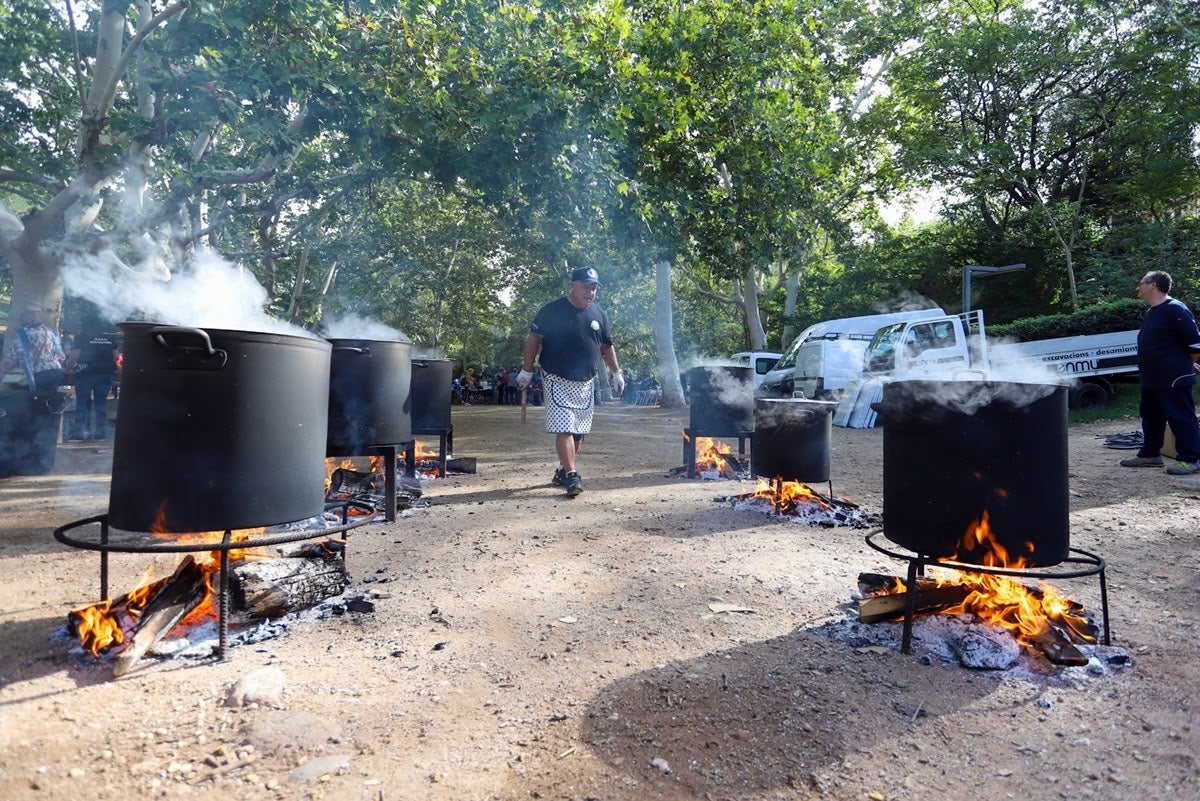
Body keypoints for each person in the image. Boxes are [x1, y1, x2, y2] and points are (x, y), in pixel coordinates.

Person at [516, 266, 624, 497]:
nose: (590, 292)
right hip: (556, 376)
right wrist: (526, 370)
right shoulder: (551, 311)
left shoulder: (599, 314)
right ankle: (573, 475)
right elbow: (534, 338)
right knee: (565, 427)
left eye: (594, 288)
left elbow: (606, 346)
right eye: (586, 287)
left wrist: (616, 372)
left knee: (578, 433)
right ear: (572, 285)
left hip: (586, 380)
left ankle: (562, 470)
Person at [1119, 270, 1200, 475]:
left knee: (1181, 417)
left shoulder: (1175, 309)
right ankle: (1150, 455)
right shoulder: (1152, 312)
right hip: (1152, 377)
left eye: (1141, 283)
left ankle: (1190, 459)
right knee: (1151, 416)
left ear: (1153, 285)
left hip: (1173, 377)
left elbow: (1195, 344)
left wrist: (1184, 364)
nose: (1138, 287)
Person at [66, 316, 119, 439]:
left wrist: (67, 370)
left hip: (85, 373)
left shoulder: (81, 338)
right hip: (105, 373)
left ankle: (79, 432)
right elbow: (116, 356)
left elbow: (74, 356)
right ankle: (100, 432)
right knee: (101, 402)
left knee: (82, 403)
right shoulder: (110, 338)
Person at [0, 310, 65, 392]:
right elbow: (61, 357)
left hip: (36, 376)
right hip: (56, 372)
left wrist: (1, 373)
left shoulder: (24, 334)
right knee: (46, 401)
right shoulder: (54, 333)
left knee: (21, 398)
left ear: (25, 322)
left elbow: (12, 359)